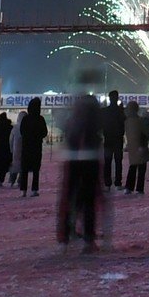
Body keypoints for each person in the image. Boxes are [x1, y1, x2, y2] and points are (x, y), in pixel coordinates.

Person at [57, 78, 104, 247]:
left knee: (73, 198)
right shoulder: (92, 130)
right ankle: (87, 236)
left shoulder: (74, 125)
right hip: (87, 165)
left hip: (75, 165)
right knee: (88, 200)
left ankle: (67, 232)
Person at [17, 98, 47, 195]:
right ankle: (34, 190)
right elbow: (44, 132)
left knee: (24, 168)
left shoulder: (25, 119)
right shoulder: (40, 119)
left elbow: (21, 131)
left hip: (26, 147)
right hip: (36, 147)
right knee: (35, 169)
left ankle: (23, 190)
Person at [123, 100, 149, 194]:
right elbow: (145, 133)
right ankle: (139, 188)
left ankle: (130, 187)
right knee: (140, 169)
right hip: (140, 147)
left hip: (135, 147)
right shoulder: (138, 120)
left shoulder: (128, 121)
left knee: (133, 168)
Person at [101, 90, 126, 188]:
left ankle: (107, 183)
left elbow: (101, 123)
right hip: (118, 139)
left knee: (107, 162)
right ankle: (118, 182)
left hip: (108, 139)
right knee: (118, 162)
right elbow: (124, 123)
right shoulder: (121, 111)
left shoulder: (105, 111)